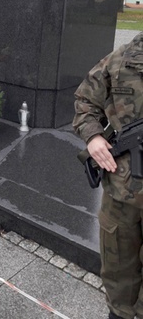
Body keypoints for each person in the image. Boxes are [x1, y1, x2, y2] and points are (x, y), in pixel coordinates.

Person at [73, 31, 143, 319]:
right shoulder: (120, 61)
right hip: (120, 193)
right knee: (117, 271)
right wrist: (93, 137)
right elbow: (84, 102)